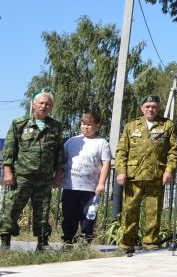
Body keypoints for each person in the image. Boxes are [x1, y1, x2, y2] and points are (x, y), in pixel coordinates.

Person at [0, 88, 65, 251]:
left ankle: (42, 243)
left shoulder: (55, 126)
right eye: (41, 103)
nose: (44, 106)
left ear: (51, 107)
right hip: (22, 176)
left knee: (42, 210)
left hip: (44, 178)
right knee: (12, 207)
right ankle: (5, 242)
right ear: (33, 104)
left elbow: (59, 152)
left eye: (48, 104)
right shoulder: (19, 123)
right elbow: (9, 149)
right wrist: (8, 171)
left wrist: (58, 174)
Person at [115, 94, 177, 255]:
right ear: (142, 108)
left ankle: (150, 243)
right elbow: (122, 151)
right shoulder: (131, 126)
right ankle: (126, 243)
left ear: (158, 108)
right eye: (148, 106)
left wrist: (169, 171)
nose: (151, 109)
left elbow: (173, 152)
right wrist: (121, 171)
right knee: (130, 211)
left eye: (154, 106)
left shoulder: (167, 125)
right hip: (133, 176)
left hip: (156, 176)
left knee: (153, 212)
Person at [61, 110, 112, 244]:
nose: (86, 127)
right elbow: (62, 161)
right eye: (83, 124)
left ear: (97, 126)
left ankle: (86, 240)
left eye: (89, 124)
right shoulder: (71, 141)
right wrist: (58, 177)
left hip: (90, 188)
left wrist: (101, 183)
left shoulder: (102, 143)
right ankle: (68, 240)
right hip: (70, 186)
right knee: (69, 216)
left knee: (88, 216)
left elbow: (106, 163)